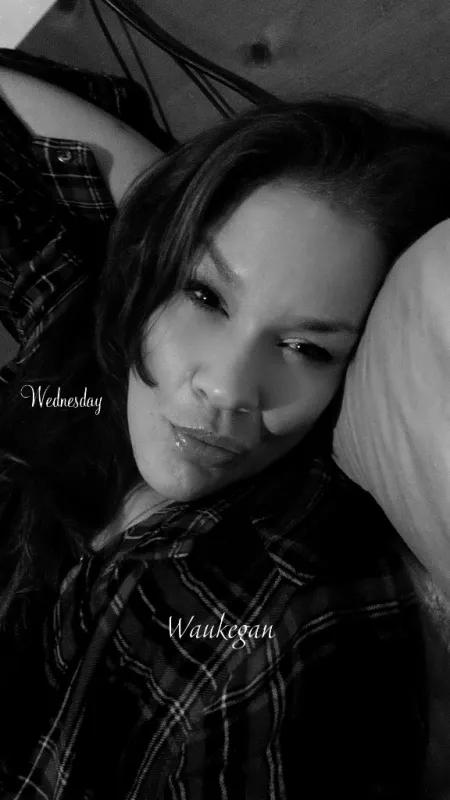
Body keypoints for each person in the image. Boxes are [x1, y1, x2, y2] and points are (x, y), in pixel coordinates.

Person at [2, 53, 450, 799]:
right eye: (206, 296)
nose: (225, 387)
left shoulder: (266, 607)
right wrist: (172, 197)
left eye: (307, 348)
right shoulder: (92, 372)